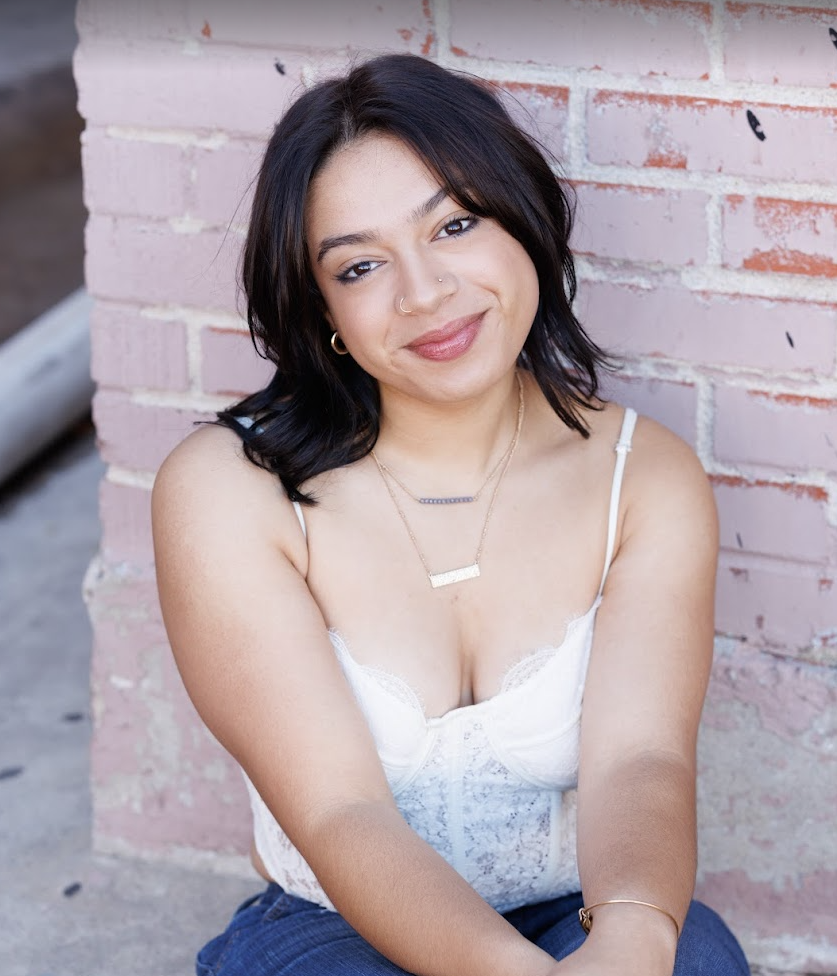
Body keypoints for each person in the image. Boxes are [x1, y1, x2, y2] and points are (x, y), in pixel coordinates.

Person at [151, 53, 749, 976]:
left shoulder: (646, 479)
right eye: (359, 266)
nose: (424, 292)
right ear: (323, 313)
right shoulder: (227, 490)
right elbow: (336, 812)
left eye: (456, 224)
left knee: (694, 959)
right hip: (335, 924)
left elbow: (641, 763)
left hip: (571, 906)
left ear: (525, 226)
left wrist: (630, 933)